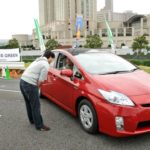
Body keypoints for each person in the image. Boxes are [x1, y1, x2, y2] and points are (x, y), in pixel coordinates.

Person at [20, 50, 55, 131]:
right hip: (30, 84)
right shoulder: (45, 65)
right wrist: (37, 88)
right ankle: (39, 125)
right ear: (49, 57)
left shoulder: (38, 60)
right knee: (36, 105)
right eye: (52, 59)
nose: (52, 61)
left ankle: (32, 120)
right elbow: (41, 81)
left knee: (28, 103)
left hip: (22, 81)